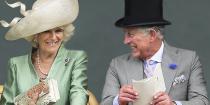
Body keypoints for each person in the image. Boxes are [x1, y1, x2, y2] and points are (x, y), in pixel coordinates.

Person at [101, 0, 209, 105]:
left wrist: (173, 104)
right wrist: (118, 101)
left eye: (130, 34)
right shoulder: (117, 65)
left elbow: (202, 102)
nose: (125, 41)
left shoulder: (189, 60)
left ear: (152, 35)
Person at [0, 0, 88, 104]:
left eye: (58, 30)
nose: (54, 37)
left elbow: (79, 93)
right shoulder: (16, 64)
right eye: (47, 31)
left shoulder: (75, 59)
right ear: (35, 35)